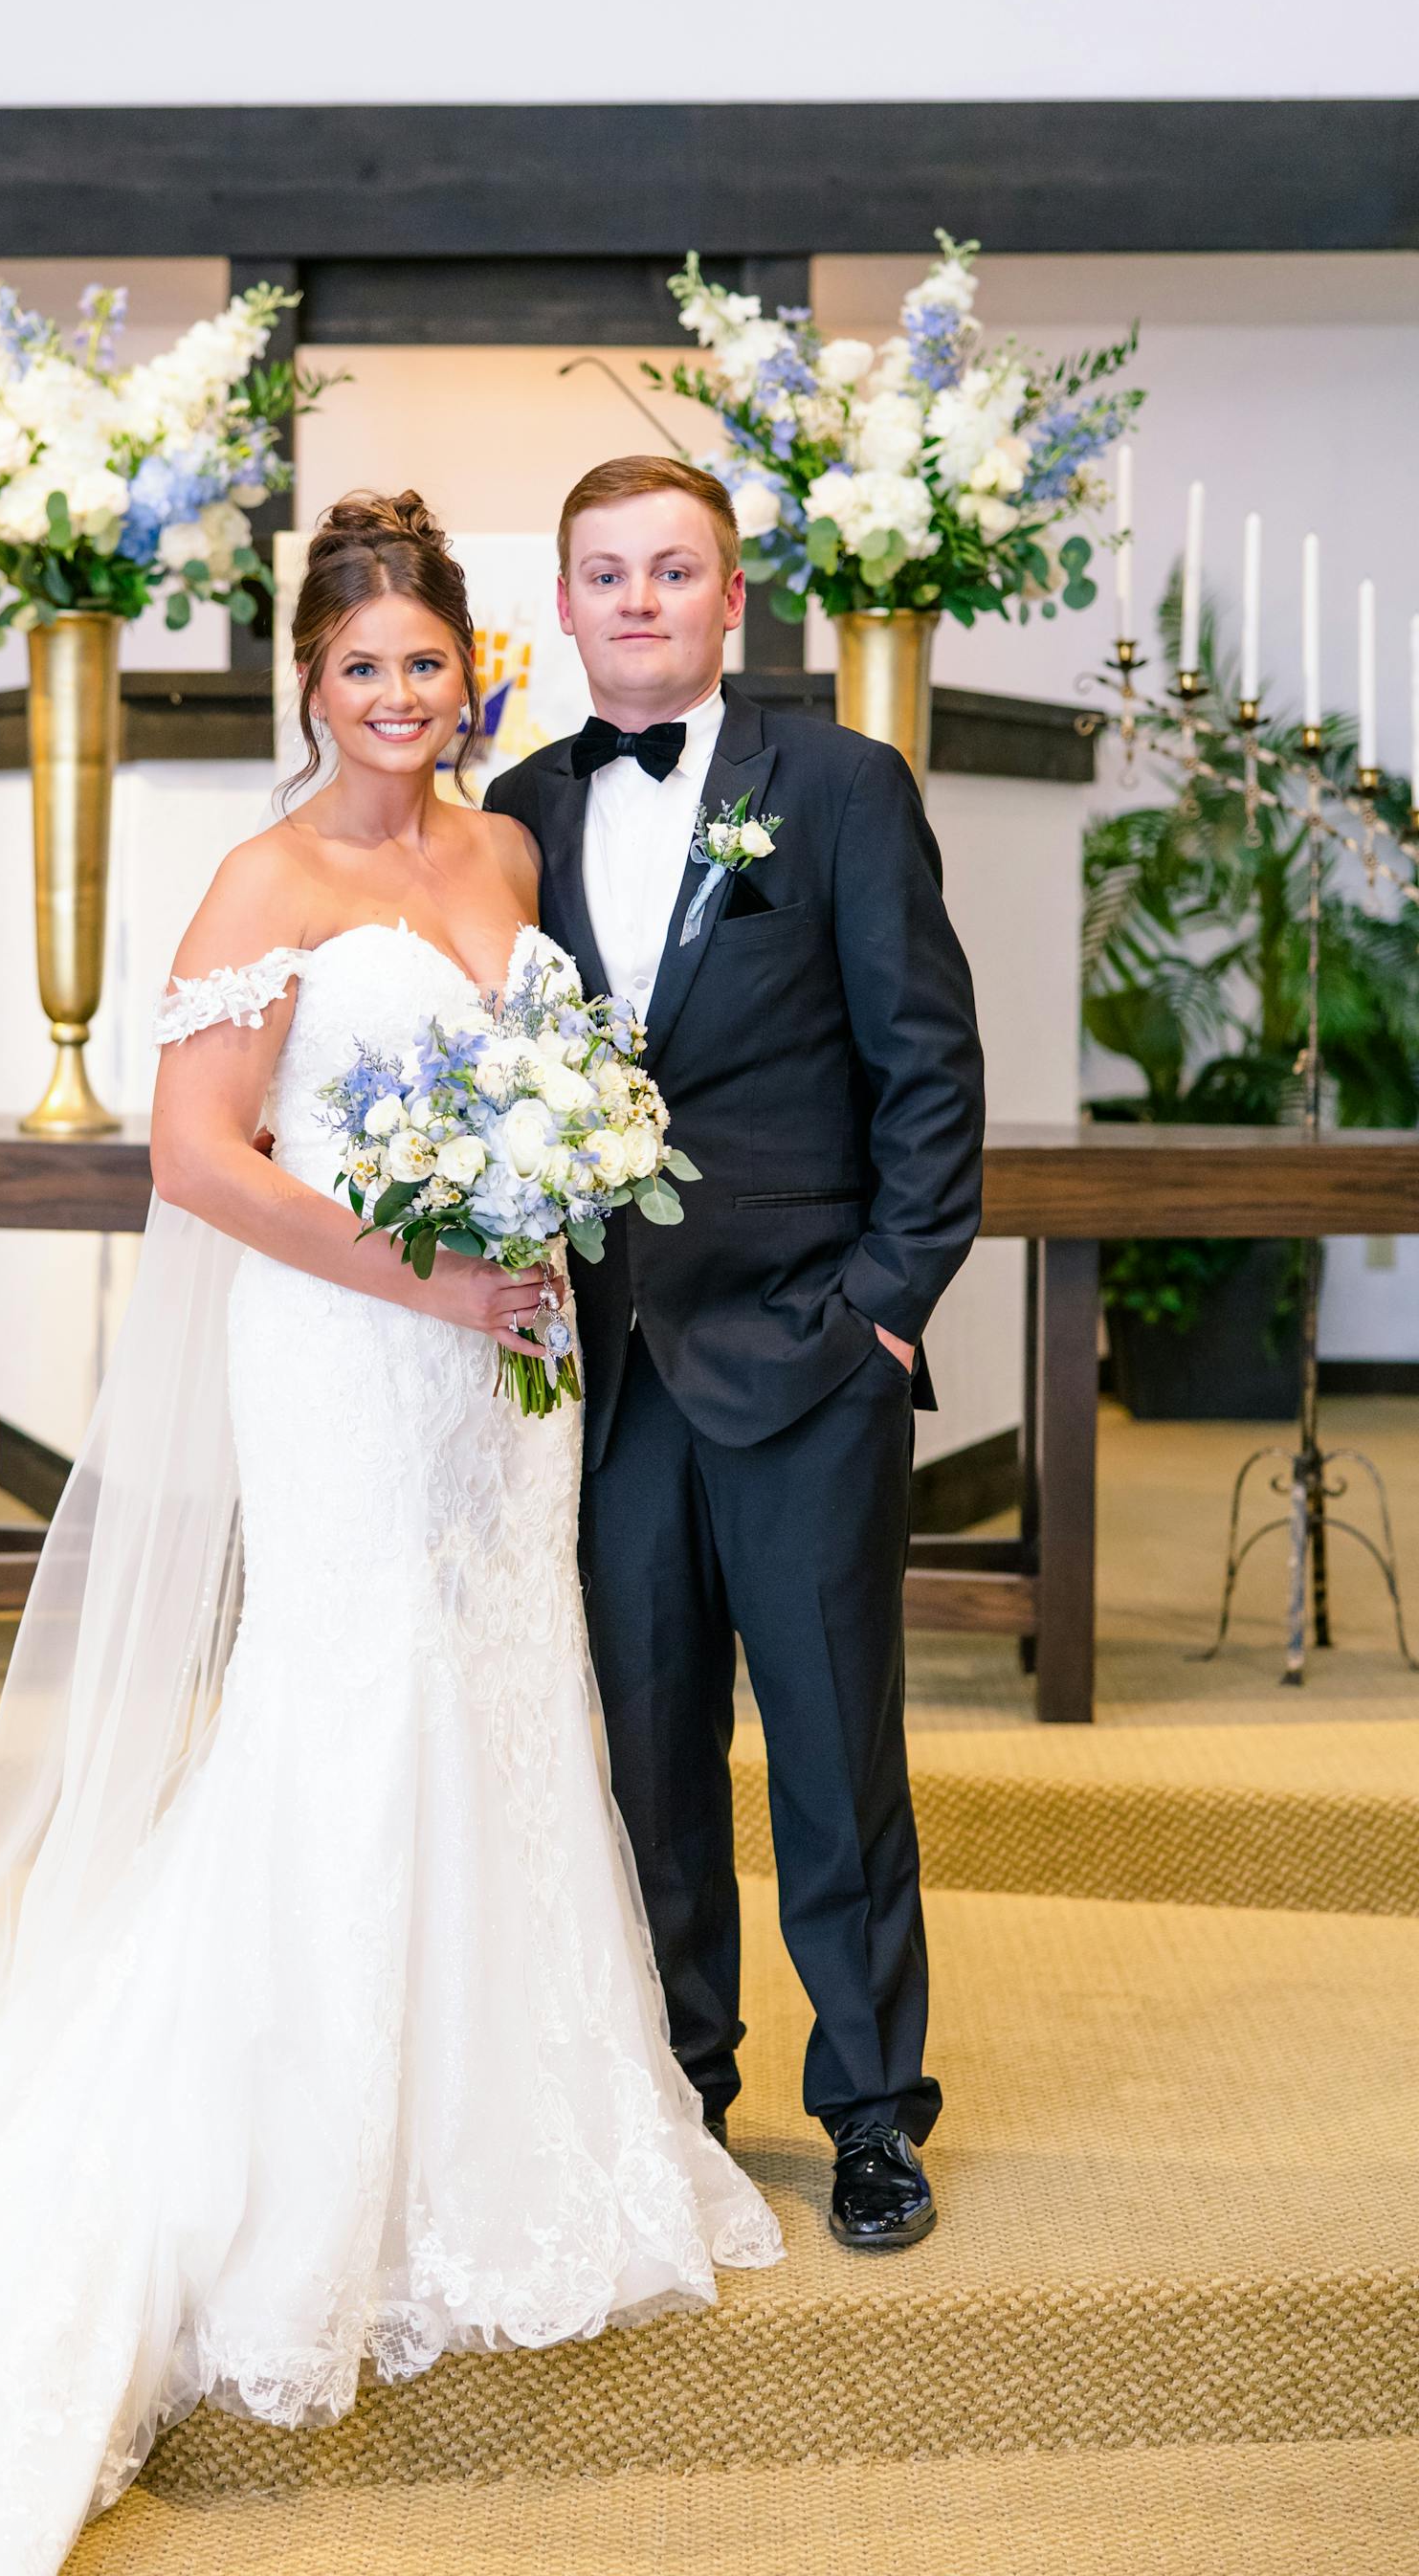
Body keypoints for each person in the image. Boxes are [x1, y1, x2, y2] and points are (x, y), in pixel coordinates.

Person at [0, 492, 778, 2576]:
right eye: (360, 670)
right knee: (357, 1698)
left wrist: (544, 1229)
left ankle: (506, 2134)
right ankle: (309, 2175)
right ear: (308, 687)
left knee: (509, 1685)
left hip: (517, 1372)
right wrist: (429, 1282)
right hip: (348, 1352)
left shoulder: (508, 852)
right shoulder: (263, 879)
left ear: (468, 674)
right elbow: (200, 1159)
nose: (399, 699)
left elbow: (567, 1103)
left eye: (426, 664)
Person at [487, 456, 985, 2251]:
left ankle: (869, 2109)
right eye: (605, 572)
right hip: (604, 1369)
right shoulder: (515, 809)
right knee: (644, 1755)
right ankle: (680, 2090)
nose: (638, 599)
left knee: (838, 1751)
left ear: (729, 598)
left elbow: (927, 1064)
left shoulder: (840, 785)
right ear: (562, 603)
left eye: (672, 569)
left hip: (806, 1354)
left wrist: (884, 1309)